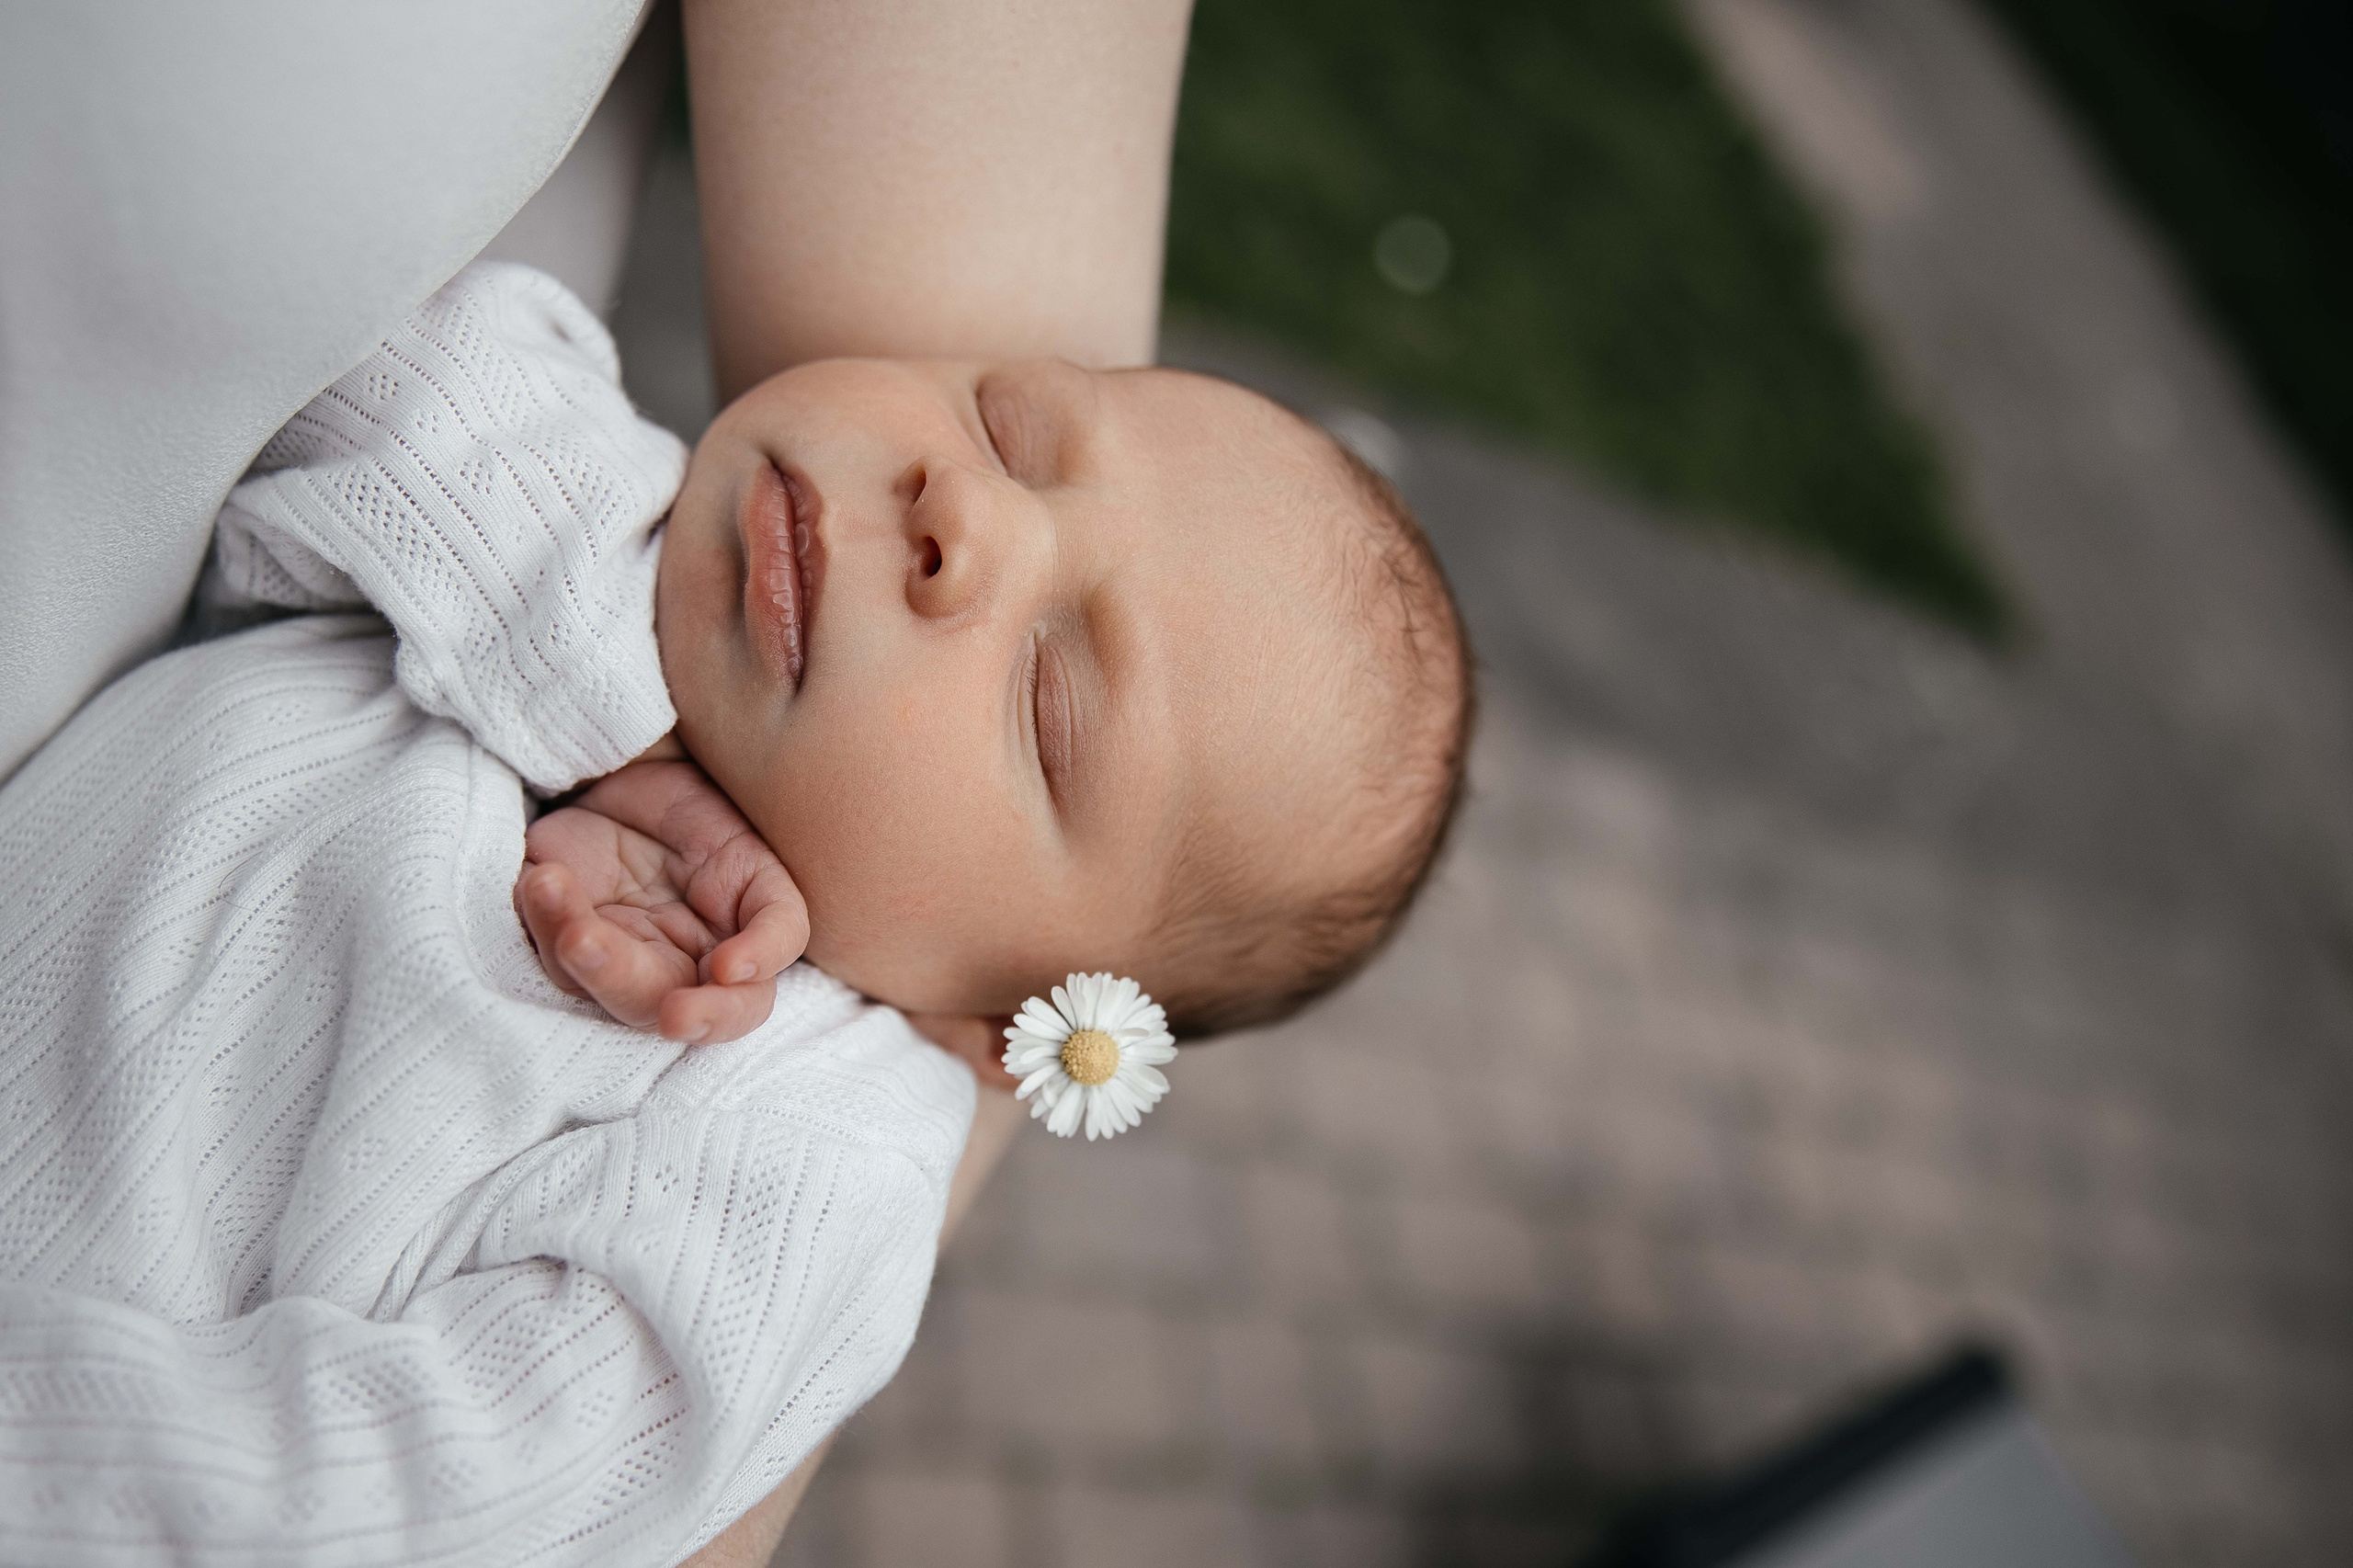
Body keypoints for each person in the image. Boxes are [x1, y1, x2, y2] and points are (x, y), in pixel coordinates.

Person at [0, 256, 1468, 1562]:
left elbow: (414, 1500)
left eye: (1047, 696)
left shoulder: (809, 1171)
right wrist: (617, 714)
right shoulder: (590, 506)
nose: (963, 512)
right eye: (1008, 426)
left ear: (1000, 1022)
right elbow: (351, 365)